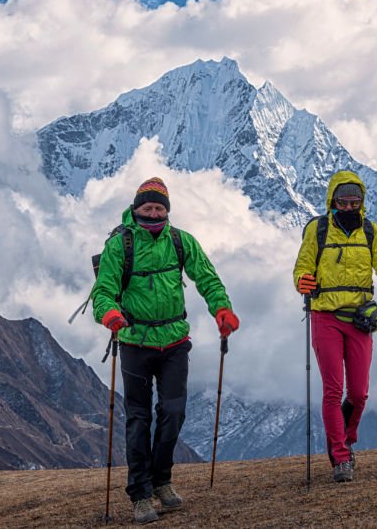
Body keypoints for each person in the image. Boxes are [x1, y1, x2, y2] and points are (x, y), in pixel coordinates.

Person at [92, 177, 240, 524]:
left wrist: (222, 308)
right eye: (148, 207)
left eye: (159, 207)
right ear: (136, 208)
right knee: (139, 419)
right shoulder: (121, 246)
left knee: (174, 413)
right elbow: (103, 292)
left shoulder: (180, 241)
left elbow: (207, 278)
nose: (154, 212)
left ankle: (162, 481)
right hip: (134, 342)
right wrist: (109, 314)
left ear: (167, 210)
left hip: (174, 341)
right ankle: (141, 494)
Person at [293, 170, 377, 483]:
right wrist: (302, 282)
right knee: (333, 391)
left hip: (359, 319)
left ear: (362, 201)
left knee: (358, 393)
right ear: (332, 201)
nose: (348, 207)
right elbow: (302, 268)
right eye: (342, 202)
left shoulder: (370, 231)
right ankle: (341, 458)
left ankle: (346, 438)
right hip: (324, 318)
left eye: (354, 202)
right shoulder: (317, 230)